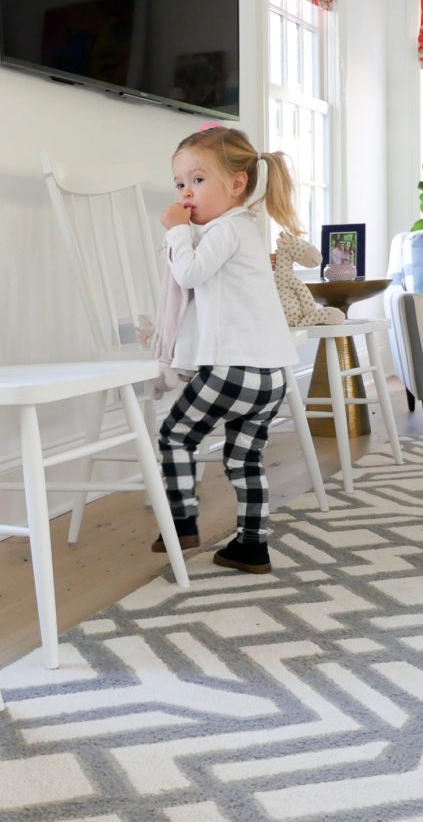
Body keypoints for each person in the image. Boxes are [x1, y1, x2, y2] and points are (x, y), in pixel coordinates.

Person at [149, 125, 301, 574]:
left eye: (197, 180)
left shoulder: (226, 230)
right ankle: (252, 545)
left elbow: (189, 274)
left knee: (175, 436)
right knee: (244, 457)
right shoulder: (248, 228)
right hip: (271, 374)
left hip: (233, 369)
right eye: (179, 184)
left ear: (237, 183)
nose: (186, 193)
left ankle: (182, 524)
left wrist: (176, 232)